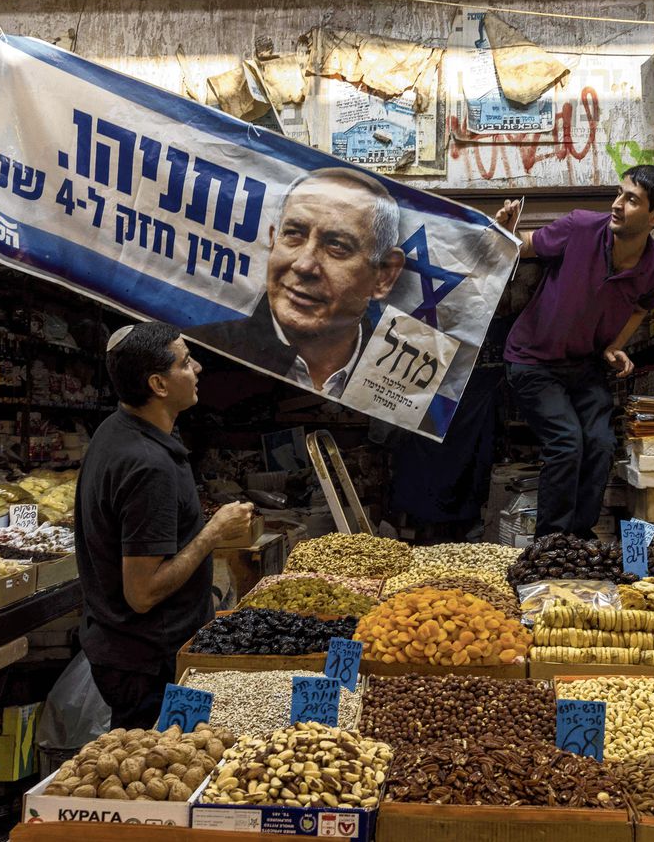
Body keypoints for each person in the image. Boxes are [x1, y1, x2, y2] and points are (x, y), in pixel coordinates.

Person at [75, 321, 253, 729]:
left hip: (129, 652)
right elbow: (142, 592)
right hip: (149, 663)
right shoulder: (147, 465)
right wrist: (213, 533)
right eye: (187, 362)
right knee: (160, 768)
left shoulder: (115, 429)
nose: (199, 369)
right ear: (158, 383)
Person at [495, 165, 654, 539]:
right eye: (619, 193)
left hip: (585, 366)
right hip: (532, 360)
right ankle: (552, 541)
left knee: (600, 443)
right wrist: (505, 231)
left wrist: (615, 346)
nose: (617, 205)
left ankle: (579, 537)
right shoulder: (580, 226)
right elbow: (526, 246)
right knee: (566, 443)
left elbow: (641, 308)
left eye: (631, 200)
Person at [190, 167, 406, 397]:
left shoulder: (407, 385)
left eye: (338, 245)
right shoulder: (198, 356)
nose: (303, 265)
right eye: (293, 234)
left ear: (385, 274)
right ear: (273, 240)